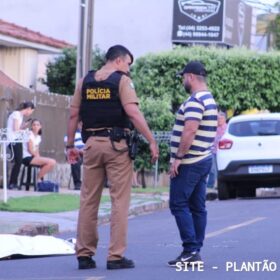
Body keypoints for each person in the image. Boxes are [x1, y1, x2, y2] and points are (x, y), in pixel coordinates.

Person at [66, 45, 158, 270]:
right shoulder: (122, 81)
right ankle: (115, 256)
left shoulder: (84, 81)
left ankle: (84, 255)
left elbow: (74, 114)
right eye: (127, 63)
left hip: (91, 145)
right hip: (117, 147)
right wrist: (151, 140)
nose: (128, 69)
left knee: (88, 201)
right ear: (118, 61)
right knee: (119, 201)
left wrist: (70, 144)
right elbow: (133, 113)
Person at [168, 61, 218, 266]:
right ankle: (194, 249)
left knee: (178, 204)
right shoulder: (210, 99)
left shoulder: (196, 100)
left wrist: (178, 158)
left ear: (190, 77)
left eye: (183, 77)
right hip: (204, 158)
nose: (182, 81)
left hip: (190, 161)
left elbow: (189, 131)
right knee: (197, 207)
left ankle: (190, 249)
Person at [7, 101, 35, 190]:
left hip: (16, 140)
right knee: (18, 161)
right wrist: (25, 131)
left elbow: (17, 128)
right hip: (13, 140)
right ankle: (12, 183)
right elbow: (15, 130)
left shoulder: (20, 116)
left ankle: (13, 182)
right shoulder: (16, 114)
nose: (30, 113)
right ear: (29, 109)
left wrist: (23, 126)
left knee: (18, 161)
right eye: (31, 111)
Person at [22, 119, 56, 183]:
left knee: (50, 163)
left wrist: (39, 158)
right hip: (27, 157)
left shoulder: (38, 137)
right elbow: (30, 150)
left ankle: (39, 179)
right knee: (52, 162)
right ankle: (38, 179)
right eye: (34, 125)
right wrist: (38, 158)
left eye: (38, 125)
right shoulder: (29, 134)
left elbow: (36, 150)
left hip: (33, 157)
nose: (36, 126)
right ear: (31, 126)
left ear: (40, 126)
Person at [207, 111, 227, 189]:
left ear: (225, 119)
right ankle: (209, 186)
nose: (219, 120)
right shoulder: (213, 128)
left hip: (223, 152)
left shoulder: (228, 128)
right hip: (212, 151)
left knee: (221, 169)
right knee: (212, 170)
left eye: (221, 118)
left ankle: (220, 186)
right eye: (217, 118)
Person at [64, 122, 84, 190]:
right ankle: (77, 184)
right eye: (80, 123)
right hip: (74, 154)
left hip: (87, 154)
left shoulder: (88, 133)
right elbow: (69, 146)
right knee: (75, 161)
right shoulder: (71, 133)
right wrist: (79, 151)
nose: (81, 124)